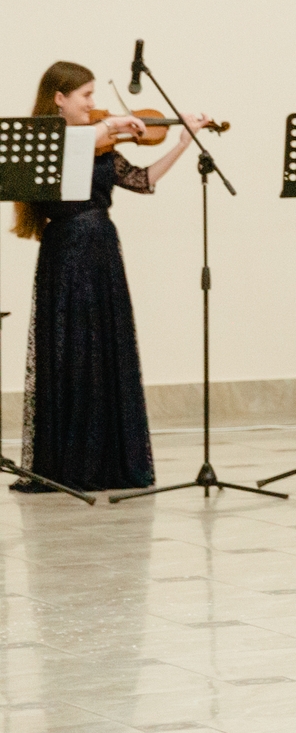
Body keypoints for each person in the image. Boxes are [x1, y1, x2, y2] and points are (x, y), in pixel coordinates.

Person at [10, 62, 210, 494]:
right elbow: (72, 150)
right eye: (86, 95)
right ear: (59, 98)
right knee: (72, 350)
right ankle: (70, 463)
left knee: (105, 347)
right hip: (67, 251)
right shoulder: (48, 142)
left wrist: (182, 142)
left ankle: (108, 461)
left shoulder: (101, 145)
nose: (93, 103)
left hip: (102, 249)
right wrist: (114, 124)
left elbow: (142, 180)